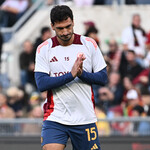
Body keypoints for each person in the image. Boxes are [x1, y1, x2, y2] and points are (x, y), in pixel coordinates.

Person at [34, 5, 107, 150]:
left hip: (84, 117)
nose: (66, 32)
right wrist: (71, 75)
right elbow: (41, 84)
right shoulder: (44, 49)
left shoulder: (89, 44)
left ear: (73, 22)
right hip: (56, 117)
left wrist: (81, 74)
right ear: (52, 26)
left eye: (68, 26)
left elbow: (103, 78)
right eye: (60, 28)